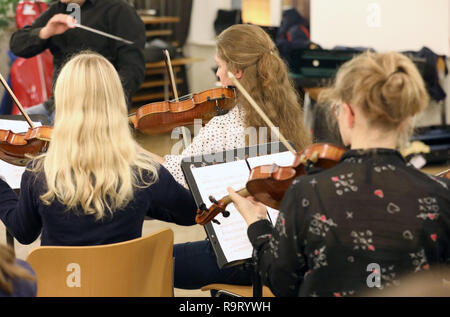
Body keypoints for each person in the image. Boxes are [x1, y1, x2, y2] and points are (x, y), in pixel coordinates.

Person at [228, 51, 450, 296]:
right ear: (407, 120)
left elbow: (282, 281)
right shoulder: (440, 194)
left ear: (349, 113)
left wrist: (257, 224)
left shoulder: (307, 192)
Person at [158, 24, 312, 293]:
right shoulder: (288, 117)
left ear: (237, 72)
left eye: (219, 66)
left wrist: (144, 157)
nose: (217, 74)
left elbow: (176, 176)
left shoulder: (224, 126)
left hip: (241, 257)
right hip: (286, 254)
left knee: (153, 262)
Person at [0, 51, 197, 246]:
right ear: (115, 102)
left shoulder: (39, 174)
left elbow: (23, 233)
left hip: (61, 278)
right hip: (126, 278)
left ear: (64, 105)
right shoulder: (145, 173)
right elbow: (190, 214)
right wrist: (142, 202)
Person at [9, 0, 145, 124]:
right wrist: (46, 31)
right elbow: (17, 46)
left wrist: (100, 102)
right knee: (17, 126)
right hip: (58, 104)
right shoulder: (58, 9)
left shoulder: (119, 10)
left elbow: (133, 70)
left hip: (99, 108)